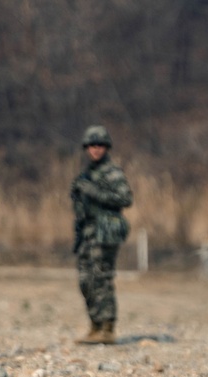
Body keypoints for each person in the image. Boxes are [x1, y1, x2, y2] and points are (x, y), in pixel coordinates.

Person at [71, 125, 133, 345]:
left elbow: (125, 199)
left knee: (102, 277)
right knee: (85, 280)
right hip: (88, 233)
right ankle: (94, 325)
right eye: (91, 146)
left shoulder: (112, 173)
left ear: (106, 147)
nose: (95, 150)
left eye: (100, 145)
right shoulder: (87, 174)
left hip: (105, 232)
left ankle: (107, 327)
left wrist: (94, 192)